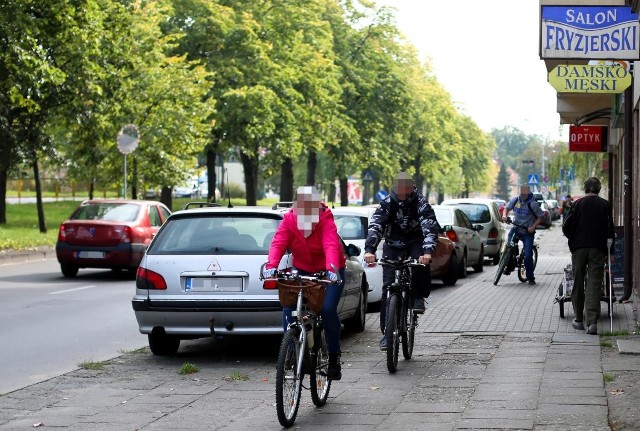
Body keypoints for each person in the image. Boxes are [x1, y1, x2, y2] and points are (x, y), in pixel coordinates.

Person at [263, 186, 346, 380]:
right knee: (288, 306)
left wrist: (332, 269)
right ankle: (291, 350)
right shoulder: (289, 219)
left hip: (330, 270)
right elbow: (279, 242)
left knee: (327, 310)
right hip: (301, 268)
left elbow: (330, 244)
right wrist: (271, 264)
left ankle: (333, 357)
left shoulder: (325, 218)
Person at [363, 172, 440, 351]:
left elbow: (429, 227)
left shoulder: (421, 203)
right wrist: (369, 250)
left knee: (420, 262)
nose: (403, 192)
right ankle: (386, 334)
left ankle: (418, 297)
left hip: (415, 241)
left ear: (412, 187)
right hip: (393, 244)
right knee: (387, 288)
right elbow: (376, 225)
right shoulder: (387, 203)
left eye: (406, 189)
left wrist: (427, 252)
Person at [562, 177, 614, 335]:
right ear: (598, 189)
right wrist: (611, 252)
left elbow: (566, 227)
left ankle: (578, 320)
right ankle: (592, 323)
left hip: (579, 248)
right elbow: (609, 229)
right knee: (594, 283)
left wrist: (573, 239)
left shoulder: (577, 204)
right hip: (597, 248)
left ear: (585, 189)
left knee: (578, 281)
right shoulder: (605, 204)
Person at [501, 185, 544, 285]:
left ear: (528, 193)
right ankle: (509, 265)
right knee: (509, 247)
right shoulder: (516, 200)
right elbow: (506, 209)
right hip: (516, 229)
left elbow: (541, 217)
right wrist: (504, 216)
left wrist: (533, 227)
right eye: (521, 194)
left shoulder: (533, 204)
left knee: (528, 256)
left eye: (524, 194)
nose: (522, 196)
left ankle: (530, 277)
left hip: (527, 233)